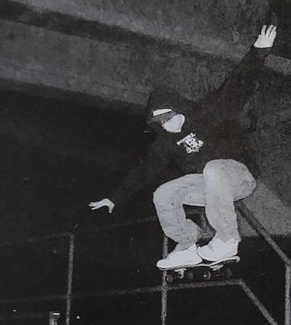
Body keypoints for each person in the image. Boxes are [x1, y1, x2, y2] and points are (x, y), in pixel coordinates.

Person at [89, 24, 276, 269]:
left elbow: (235, 89)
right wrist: (114, 198)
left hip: (238, 176)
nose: (166, 127)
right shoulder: (165, 143)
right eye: (159, 124)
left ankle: (228, 238)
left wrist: (258, 53)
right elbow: (145, 170)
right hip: (210, 188)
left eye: (168, 119)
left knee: (212, 169)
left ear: (178, 109)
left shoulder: (207, 114)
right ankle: (187, 244)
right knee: (164, 193)